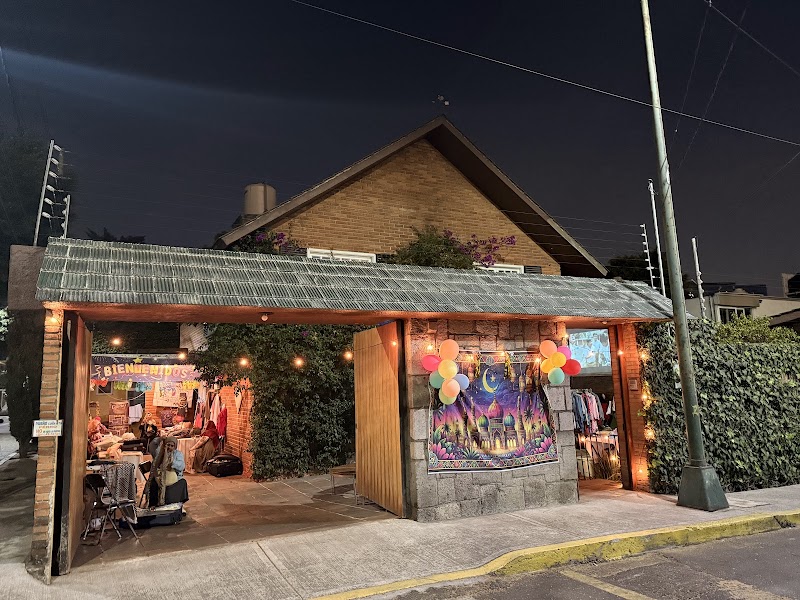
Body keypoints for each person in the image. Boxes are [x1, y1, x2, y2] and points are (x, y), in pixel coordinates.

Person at [147, 436, 189, 507]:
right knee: (154, 483)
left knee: (182, 483)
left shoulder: (178, 454)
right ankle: (155, 505)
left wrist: (171, 462)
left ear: (175, 447)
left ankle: (176, 504)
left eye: (172, 446)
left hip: (175, 477)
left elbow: (181, 466)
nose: (169, 447)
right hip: (161, 477)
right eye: (168, 445)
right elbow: (155, 466)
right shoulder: (160, 453)